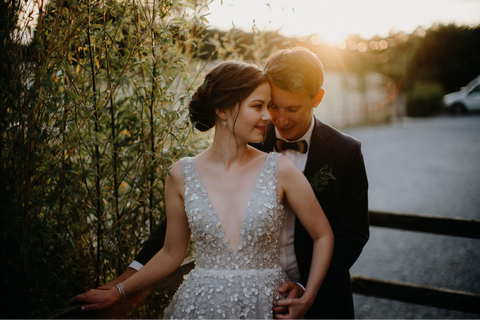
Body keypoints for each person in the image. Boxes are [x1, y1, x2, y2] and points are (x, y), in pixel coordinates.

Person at [103, 47, 369, 319]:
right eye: (270, 106)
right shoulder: (247, 136)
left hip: (313, 294)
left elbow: (351, 235)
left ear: (317, 98)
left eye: (292, 108)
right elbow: (191, 217)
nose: (277, 118)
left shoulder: (343, 152)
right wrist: (127, 279)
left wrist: (305, 286)